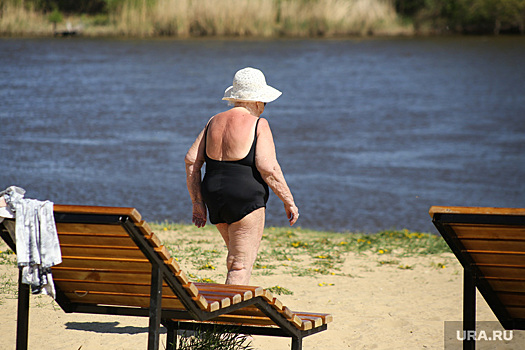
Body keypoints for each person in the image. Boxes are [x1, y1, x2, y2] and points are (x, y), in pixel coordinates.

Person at [185, 67, 299, 285]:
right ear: (256, 101)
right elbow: (269, 168)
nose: (264, 108)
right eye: (264, 102)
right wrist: (289, 201)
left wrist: (197, 202)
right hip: (245, 197)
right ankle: (230, 317)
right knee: (240, 264)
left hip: (214, 198)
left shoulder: (213, 121)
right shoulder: (259, 124)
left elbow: (191, 161)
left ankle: (228, 310)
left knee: (235, 257)